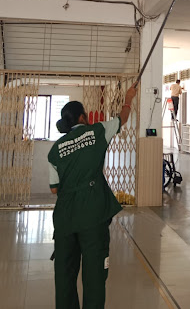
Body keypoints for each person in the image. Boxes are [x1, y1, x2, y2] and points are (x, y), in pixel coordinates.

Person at [48, 83, 137, 309]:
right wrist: (128, 98)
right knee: (95, 273)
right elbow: (123, 118)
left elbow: (54, 189)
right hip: (92, 214)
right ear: (82, 117)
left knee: (65, 274)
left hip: (65, 218)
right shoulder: (97, 131)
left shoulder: (56, 149)